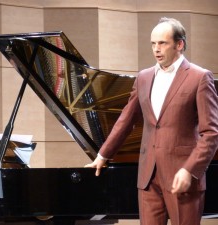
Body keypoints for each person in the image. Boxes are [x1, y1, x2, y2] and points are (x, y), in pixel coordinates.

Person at [85, 17, 218, 225]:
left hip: (182, 177)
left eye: (162, 43)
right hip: (148, 177)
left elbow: (211, 133)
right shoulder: (144, 77)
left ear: (179, 44)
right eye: (153, 44)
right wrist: (103, 155)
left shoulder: (200, 77)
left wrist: (190, 170)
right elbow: (126, 120)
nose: (156, 49)